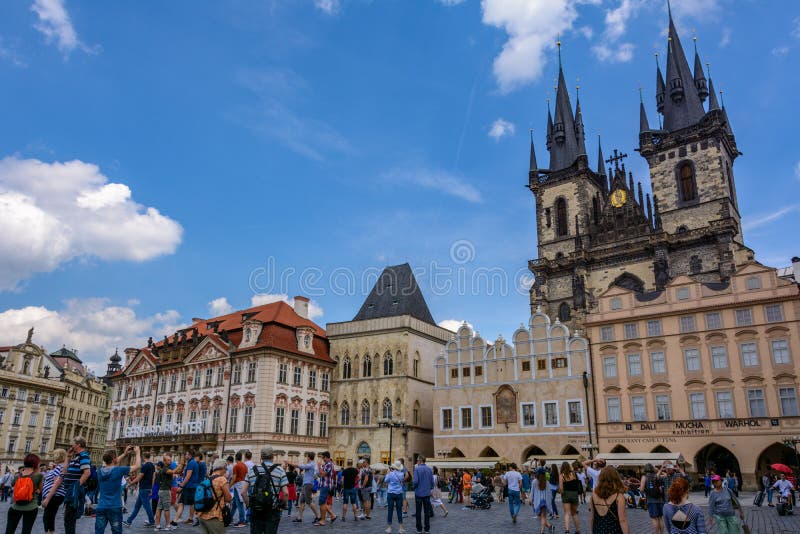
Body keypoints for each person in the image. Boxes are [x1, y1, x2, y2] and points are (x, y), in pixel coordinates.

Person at [242, 446, 288, 534]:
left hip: (256, 510)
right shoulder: (280, 470)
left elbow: (243, 492)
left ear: (261, 457)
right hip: (272, 510)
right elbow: (285, 493)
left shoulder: (252, 470)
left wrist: (249, 505)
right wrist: (283, 505)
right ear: (273, 456)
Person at [96, 446, 141, 534]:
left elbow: (112, 463)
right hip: (115, 506)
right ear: (114, 459)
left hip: (101, 506)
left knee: (98, 531)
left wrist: (124, 454)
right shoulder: (119, 470)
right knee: (116, 532)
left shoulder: (100, 471)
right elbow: (137, 466)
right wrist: (138, 452)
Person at [6, 454, 43, 534]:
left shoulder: (17, 476)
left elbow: (13, 485)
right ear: (36, 463)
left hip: (15, 507)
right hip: (31, 508)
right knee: (26, 531)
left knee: (9, 531)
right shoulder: (39, 476)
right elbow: (40, 491)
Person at [63, 436, 93, 534]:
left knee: (69, 519)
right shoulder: (76, 456)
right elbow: (64, 472)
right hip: (70, 491)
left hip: (73, 492)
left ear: (78, 445)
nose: (71, 445)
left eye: (73, 443)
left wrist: (76, 486)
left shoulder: (83, 455)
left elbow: (87, 473)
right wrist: (67, 457)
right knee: (68, 519)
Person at [589, 466, 628, 534]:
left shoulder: (593, 495)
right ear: (616, 478)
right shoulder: (618, 497)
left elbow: (592, 518)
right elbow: (622, 520)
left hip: (598, 530)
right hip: (613, 530)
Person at [197, 459, 232, 534]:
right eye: (226, 469)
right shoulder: (222, 479)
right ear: (223, 468)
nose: (226, 471)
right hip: (214, 516)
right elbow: (228, 498)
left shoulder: (208, 479)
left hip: (202, 515)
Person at [123, 451, 155, 527]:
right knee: (137, 507)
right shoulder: (152, 465)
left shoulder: (145, 466)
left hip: (143, 488)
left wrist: (130, 483)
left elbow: (139, 478)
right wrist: (151, 487)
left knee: (147, 506)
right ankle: (129, 521)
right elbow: (153, 477)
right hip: (147, 487)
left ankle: (152, 521)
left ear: (143, 457)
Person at [42, 449, 68, 534]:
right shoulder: (61, 467)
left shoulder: (60, 467)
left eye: (54, 455)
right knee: (50, 517)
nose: (53, 457)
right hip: (56, 496)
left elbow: (56, 484)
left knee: (47, 518)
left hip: (54, 496)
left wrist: (47, 498)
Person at [292, 452, 319, 523]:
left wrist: (290, 463)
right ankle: (299, 518)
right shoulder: (311, 464)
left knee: (309, 502)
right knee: (302, 502)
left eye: (307, 457)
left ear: (309, 457)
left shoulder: (311, 464)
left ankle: (318, 516)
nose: (306, 458)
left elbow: (301, 466)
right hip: (305, 484)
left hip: (308, 484)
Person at [175, 450, 200, 526]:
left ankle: (175, 520)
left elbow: (188, 476)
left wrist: (181, 486)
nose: (185, 456)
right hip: (192, 485)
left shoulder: (191, 463)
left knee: (182, 502)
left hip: (189, 486)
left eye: (186, 454)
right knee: (191, 503)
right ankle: (191, 518)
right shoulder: (193, 463)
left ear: (189, 455)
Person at [639, 463, 664, 534]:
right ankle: (661, 533)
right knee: (660, 518)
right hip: (660, 499)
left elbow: (641, 489)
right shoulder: (656, 476)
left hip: (651, 500)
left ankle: (656, 533)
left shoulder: (644, 477)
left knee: (654, 518)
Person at [315, 451, 337, 526]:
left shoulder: (329, 464)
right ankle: (332, 515)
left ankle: (322, 520)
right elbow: (321, 474)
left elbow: (323, 474)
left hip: (326, 486)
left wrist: (319, 467)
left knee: (322, 503)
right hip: (324, 485)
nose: (322, 459)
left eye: (323, 457)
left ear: (326, 457)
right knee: (323, 503)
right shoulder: (327, 464)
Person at [154, 455, 175, 531]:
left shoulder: (163, 469)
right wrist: (181, 466)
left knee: (159, 508)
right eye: (168, 460)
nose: (170, 461)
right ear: (164, 461)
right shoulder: (165, 469)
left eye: (170, 460)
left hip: (162, 490)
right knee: (167, 509)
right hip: (165, 490)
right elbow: (174, 471)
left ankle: (157, 525)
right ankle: (168, 525)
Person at [412, 456, 434, 534]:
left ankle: (419, 529)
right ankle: (427, 529)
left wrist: (413, 487)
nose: (417, 461)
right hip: (427, 493)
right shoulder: (429, 469)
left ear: (420, 460)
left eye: (417, 460)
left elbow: (415, 481)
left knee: (418, 512)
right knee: (426, 512)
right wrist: (429, 488)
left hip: (418, 493)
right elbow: (432, 482)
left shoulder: (417, 469)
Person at [385, 461, 406, 534]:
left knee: (390, 510)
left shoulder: (390, 474)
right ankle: (400, 528)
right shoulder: (402, 474)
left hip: (391, 493)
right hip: (399, 493)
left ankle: (389, 527)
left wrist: (387, 473)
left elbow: (386, 481)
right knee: (399, 510)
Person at [559, 461, 580, 534]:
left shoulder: (562, 475)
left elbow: (561, 488)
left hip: (566, 494)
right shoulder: (573, 474)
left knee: (567, 513)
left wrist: (561, 494)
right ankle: (577, 530)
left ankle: (567, 530)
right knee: (574, 513)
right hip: (574, 494)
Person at [531, 470, 554, 534]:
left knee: (540, 517)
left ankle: (542, 531)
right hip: (545, 501)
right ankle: (549, 526)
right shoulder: (547, 482)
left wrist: (531, 499)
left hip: (538, 501)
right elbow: (550, 493)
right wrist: (550, 500)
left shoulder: (534, 482)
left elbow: (532, 491)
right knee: (543, 516)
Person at [231, 452, 248, 527]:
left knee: (239, 503)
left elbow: (234, 478)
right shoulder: (245, 465)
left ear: (235, 458)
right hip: (243, 483)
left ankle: (242, 521)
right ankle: (230, 517)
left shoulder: (236, 466)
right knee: (235, 503)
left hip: (237, 485)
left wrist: (229, 485)